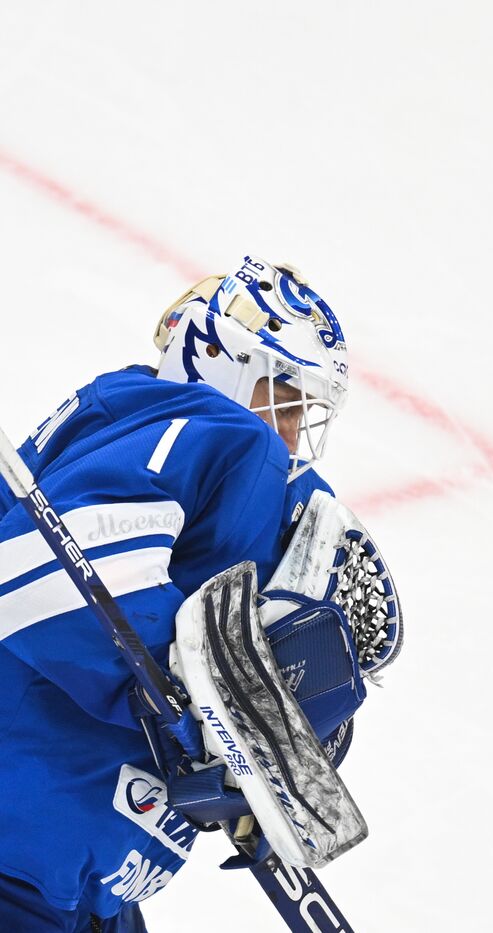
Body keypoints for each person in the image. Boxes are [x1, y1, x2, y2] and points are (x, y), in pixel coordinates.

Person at [0, 257, 392, 931]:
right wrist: (201, 712)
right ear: (223, 357)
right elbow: (42, 582)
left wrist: (266, 755)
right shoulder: (206, 431)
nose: (294, 432)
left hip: (79, 876)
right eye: (287, 397)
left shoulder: (185, 445)